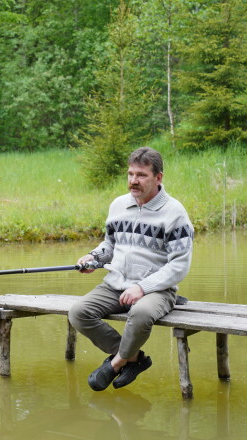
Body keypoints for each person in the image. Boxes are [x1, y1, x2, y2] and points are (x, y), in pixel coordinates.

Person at [69, 146, 193, 391]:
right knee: (78, 313)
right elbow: (110, 244)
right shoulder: (118, 205)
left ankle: (116, 363)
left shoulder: (175, 213)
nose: (133, 181)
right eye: (130, 174)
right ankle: (134, 359)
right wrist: (94, 259)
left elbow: (179, 264)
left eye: (141, 175)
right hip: (115, 284)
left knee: (140, 314)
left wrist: (142, 287)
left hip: (157, 290)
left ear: (158, 178)